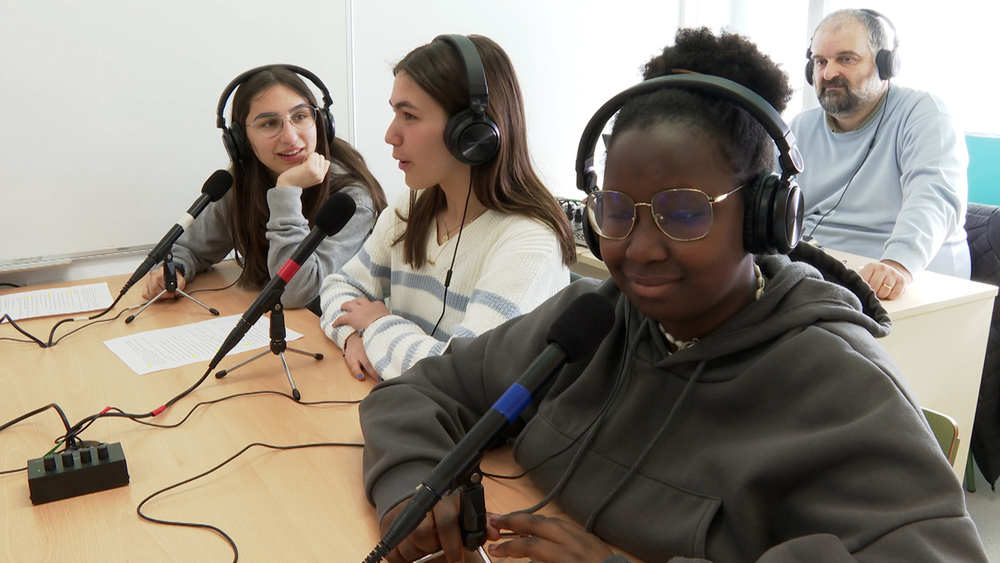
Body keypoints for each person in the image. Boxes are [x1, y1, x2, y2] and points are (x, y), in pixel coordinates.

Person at [358, 28, 989, 562]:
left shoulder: (836, 383)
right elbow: (421, 390)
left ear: (764, 216)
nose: (639, 248)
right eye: (615, 210)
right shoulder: (598, 321)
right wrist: (412, 484)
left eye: (683, 212)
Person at [319, 34, 576, 382]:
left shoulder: (530, 243)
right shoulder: (410, 207)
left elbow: (466, 374)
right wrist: (352, 337)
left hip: (478, 433)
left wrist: (377, 325)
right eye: (395, 113)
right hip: (407, 408)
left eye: (409, 115)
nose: (390, 135)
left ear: (471, 133)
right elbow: (339, 287)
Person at [141, 65, 386, 310]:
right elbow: (187, 247)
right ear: (240, 141)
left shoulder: (351, 197)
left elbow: (296, 291)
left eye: (300, 116)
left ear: (320, 121)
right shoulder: (241, 183)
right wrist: (175, 270)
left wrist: (287, 191)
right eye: (269, 123)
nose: (290, 137)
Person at [792, 8, 969, 300]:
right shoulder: (801, 126)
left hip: (907, 281)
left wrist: (897, 263)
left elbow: (934, 198)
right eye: (820, 61)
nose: (829, 72)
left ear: (886, 64)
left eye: (846, 59)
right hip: (822, 277)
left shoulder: (925, 114)